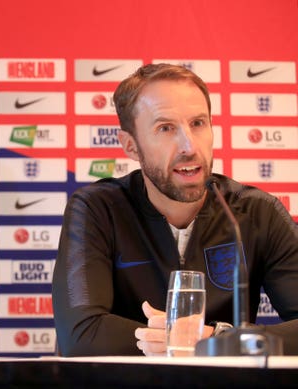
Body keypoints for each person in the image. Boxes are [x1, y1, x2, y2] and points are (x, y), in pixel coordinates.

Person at [52, 63, 298, 356]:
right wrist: (183, 340)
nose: (189, 146)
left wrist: (216, 340)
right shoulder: (97, 209)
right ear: (130, 146)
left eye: (198, 123)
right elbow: (80, 335)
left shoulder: (258, 212)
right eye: (165, 128)